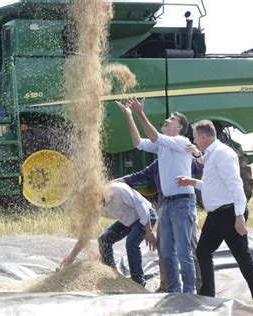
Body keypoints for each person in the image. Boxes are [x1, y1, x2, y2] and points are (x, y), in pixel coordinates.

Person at [176, 120, 253, 300]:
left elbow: (235, 185)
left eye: (195, 138)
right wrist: (192, 182)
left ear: (203, 136)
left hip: (230, 213)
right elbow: (213, 186)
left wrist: (239, 216)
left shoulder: (222, 153)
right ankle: (208, 293)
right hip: (216, 215)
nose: (194, 141)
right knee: (203, 251)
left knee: (243, 258)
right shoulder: (210, 154)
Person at [116, 97, 196, 294]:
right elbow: (138, 142)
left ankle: (190, 292)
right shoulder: (163, 146)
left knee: (184, 251)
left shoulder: (181, 142)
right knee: (166, 252)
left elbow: (154, 137)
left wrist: (140, 113)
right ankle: (173, 291)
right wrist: (129, 116)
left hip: (182, 203)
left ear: (179, 127)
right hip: (166, 205)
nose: (167, 120)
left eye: (172, 119)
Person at [116, 155, 203, 292]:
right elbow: (140, 176)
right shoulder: (158, 163)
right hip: (165, 207)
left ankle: (199, 285)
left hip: (184, 207)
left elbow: (199, 166)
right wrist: (116, 182)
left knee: (189, 247)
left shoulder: (183, 160)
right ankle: (168, 286)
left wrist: (198, 154)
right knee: (164, 249)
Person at [60, 182, 157, 286]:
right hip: (127, 222)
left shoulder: (116, 190)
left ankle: (138, 282)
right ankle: (112, 274)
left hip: (146, 217)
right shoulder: (95, 206)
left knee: (131, 243)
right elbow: (86, 234)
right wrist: (72, 256)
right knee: (104, 239)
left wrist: (149, 231)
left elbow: (140, 205)